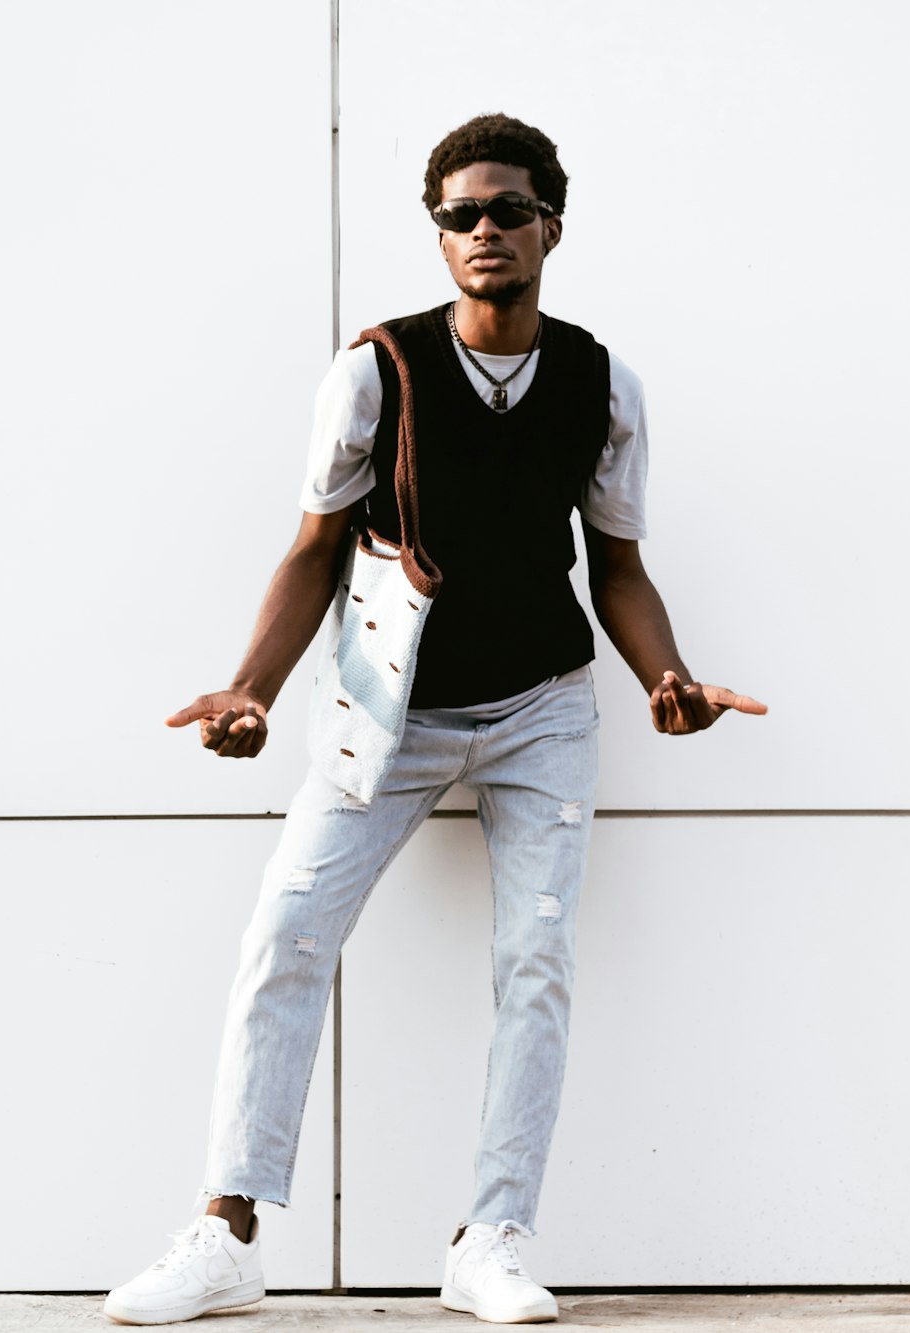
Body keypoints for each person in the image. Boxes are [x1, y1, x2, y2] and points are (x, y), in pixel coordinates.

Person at [104, 113, 766, 1327]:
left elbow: (616, 564)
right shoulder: (377, 371)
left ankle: (491, 1235)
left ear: (549, 227)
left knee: (535, 965)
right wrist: (251, 684)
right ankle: (226, 1230)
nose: (482, 232)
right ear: (440, 236)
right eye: (458, 215)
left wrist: (665, 673)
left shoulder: (599, 381)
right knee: (286, 935)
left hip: (544, 710)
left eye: (506, 210)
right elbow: (312, 549)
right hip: (386, 710)